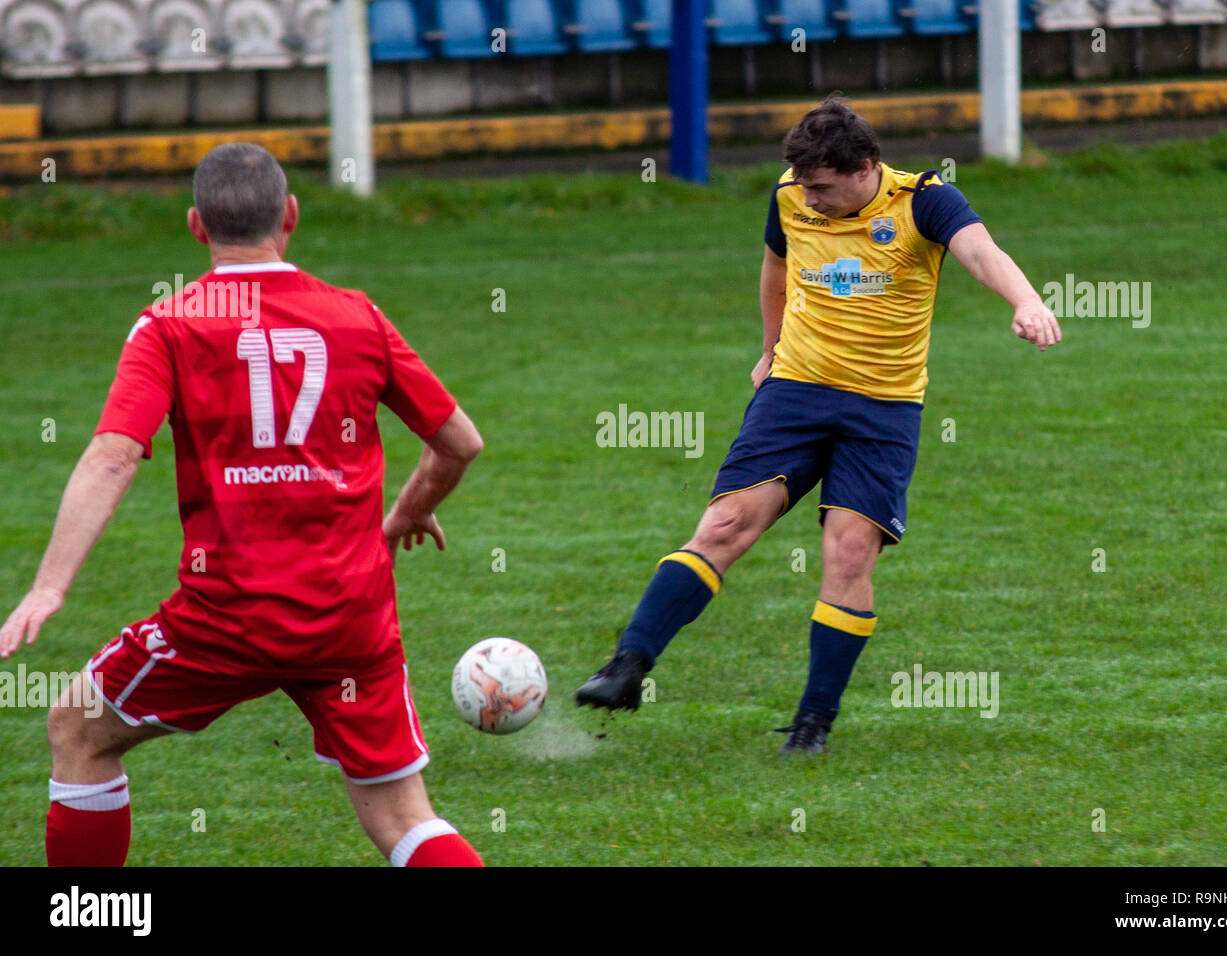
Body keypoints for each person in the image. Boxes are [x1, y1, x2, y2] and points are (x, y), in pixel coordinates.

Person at [0, 143, 487, 866]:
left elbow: (112, 455)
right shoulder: (357, 317)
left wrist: (49, 585)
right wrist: (410, 511)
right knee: (400, 813)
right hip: (352, 619)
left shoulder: (170, 324)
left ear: (196, 227)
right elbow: (459, 442)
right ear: (291, 216)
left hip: (229, 617)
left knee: (77, 726)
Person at [576, 96, 1062, 753]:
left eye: (823, 189)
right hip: (795, 393)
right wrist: (770, 348)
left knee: (848, 550)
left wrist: (1027, 300)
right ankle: (627, 666)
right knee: (724, 524)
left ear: (865, 168)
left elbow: (981, 253)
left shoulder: (925, 201)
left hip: (883, 409)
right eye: (802, 186)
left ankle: (812, 724)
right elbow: (776, 267)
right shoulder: (789, 195)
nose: (809, 201)